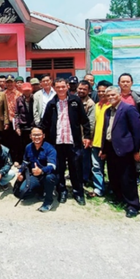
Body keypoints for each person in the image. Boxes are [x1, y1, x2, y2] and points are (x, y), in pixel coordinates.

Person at [41, 78, 91, 206]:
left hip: (72, 141)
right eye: (58, 87)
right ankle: (62, 191)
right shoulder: (52, 104)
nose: (61, 89)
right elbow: (45, 123)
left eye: (63, 87)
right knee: (59, 169)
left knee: (76, 169)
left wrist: (86, 136)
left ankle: (78, 192)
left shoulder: (75, 101)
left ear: (67, 86)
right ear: (55, 88)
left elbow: (84, 121)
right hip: (57, 143)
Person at [99, 86, 140, 218]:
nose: (111, 97)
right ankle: (120, 198)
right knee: (113, 175)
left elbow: (137, 131)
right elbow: (105, 131)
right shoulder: (108, 111)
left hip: (125, 149)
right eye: (108, 95)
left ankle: (133, 205)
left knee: (127, 178)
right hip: (111, 148)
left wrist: (136, 150)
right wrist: (103, 149)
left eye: (113, 94)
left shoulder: (128, 109)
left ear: (119, 95)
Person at [14, 127, 58, 212]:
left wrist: (41, 171)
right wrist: (20, 173)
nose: (36, 137)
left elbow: (53, 166)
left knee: (49, 178)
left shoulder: (50, 149)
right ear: (30, 136)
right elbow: (25, 162)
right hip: (35, 175)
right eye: (34, 135)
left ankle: (48, 201)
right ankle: (41, 190)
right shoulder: (28, 147)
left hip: (48, 175)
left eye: (39, 135)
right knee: (23, 192)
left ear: (43, 136)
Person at [88, 80, 112, 197]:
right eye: (99, 91)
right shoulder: (96, 106)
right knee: (96, 167)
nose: (101, 93)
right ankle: (99, 189)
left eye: (104, 91)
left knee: (112, 169)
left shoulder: (113, 107)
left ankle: (113, 188)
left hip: (109, 144)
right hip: (96, 143)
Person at [77, 80, 95, 186]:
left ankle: (84, 179)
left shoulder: (90, 103)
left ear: (88, 91)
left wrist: (88, 137)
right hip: (73, 136)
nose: (81, 91)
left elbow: (91, 123)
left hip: (84, 137)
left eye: (84, 89)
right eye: (80, 88)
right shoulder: (72, 99)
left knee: (85, 159)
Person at [3, 75, 23, 166]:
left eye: (11, 82)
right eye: (8, 82)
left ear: (14, 83)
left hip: (16, 121)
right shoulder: (2, 94)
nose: (10, 84)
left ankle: (17, 159)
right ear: (5, 83)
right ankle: (8, 159)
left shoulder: (19, 94)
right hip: (6, 121)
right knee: (6, 141)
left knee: (17, 141)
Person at [15, 82, 35, 155]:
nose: (27, 92)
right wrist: (17, 127)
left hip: (33, 125)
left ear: (31, 90)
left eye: (28, 90)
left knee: (33, 144)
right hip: (23, 126)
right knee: (22, 145)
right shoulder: (19, 99)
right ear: (22, 90)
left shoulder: (35, 98)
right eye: (25, 90)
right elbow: (16, 114)